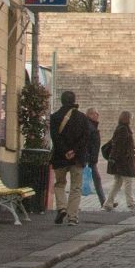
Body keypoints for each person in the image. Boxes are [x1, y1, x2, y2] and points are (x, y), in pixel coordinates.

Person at [48, 91, 91, 226]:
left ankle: (61, 207)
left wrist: (65, 151)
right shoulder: (82, 118)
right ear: (74, 100)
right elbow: (85, 138)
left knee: (60, 184)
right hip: (77, 158)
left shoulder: (55, 117)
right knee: (75, 187)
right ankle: (72, 217)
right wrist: (74, 151)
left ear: (61, 101)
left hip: (60, 157)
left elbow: (55, 137)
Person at [103, 111, 135, 211]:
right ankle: (130, 203)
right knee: (127, 181)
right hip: (123, 161)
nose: (131, 119)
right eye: (131, 117)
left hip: (121, 160)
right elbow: (119, 146)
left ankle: (108, 203)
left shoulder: (122, 128)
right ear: (127, 118)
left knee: (118, 181)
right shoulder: (123, 129)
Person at [83, 108, 105, 207]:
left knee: (96, 179)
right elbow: (86, 143)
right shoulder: (89, 126)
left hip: (91, 158)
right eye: (96, 113)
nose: (98, 115)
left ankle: (104, 202)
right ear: (90, 115)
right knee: (80, 181)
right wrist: (88, 157)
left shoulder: (92, 126)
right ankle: (104, 202)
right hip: (88, 158)